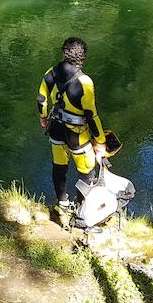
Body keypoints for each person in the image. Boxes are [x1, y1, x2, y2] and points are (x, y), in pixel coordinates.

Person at [36, 37, 106, 221]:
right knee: (87, 170)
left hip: (56, 129)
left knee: (59, 168)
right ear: (83, 57)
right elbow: (91, 115)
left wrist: (44, 118)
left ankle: (62, 205)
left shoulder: (50, 73)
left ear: (64, 52)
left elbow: (41, 100)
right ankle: (82, 211)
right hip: (77, 135)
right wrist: (100, 140)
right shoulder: (85, 82)